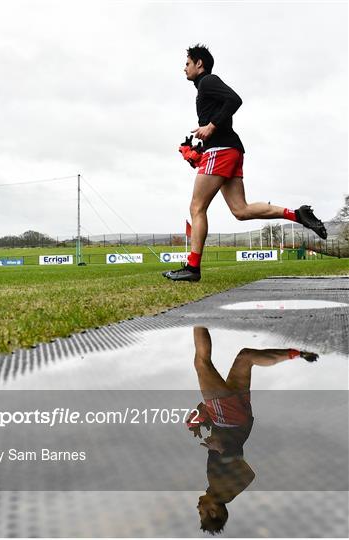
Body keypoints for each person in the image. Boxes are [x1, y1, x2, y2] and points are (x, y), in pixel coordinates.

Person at [163, 44, 328, 282]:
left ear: (199, 63)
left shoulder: (208, 81)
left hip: (222, 151)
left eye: (187, 63)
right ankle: (297, 215)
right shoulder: (204, 89)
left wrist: (210, 127)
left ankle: (193, 268)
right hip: (228, 150)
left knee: (196, 208)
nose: (184, 68)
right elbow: (222, 121)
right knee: (241, 210)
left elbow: (235, 100)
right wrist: (199, 152)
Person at [188, 327, 318, 534]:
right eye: (202, 513)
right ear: (213, 512)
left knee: (245, 357)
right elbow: (247, 474)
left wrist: (202, 420)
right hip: (228, 421)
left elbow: (243, 472)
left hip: (240, 421)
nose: (198, 508)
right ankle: (195, 318)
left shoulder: (221, 490)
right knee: (202, 362)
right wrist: (222, 450)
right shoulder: (222, 491)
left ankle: (296, 353)